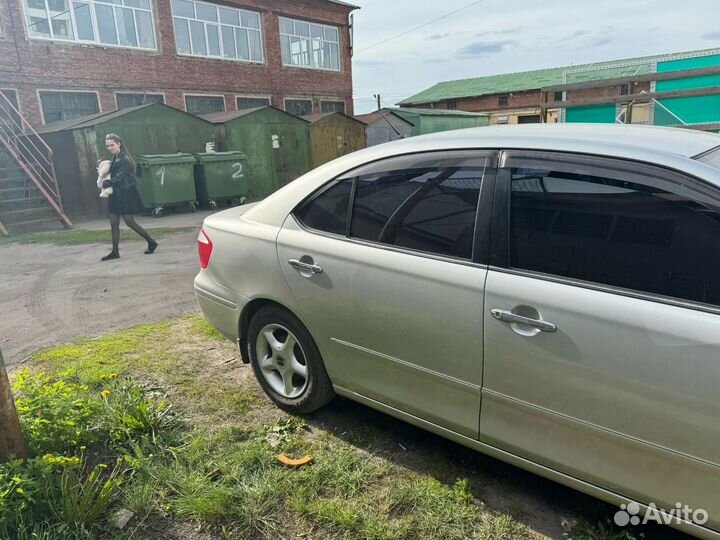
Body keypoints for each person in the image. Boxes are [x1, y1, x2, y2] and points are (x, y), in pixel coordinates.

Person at [101, 133, 158, 261]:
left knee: (130, 222)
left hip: (125, 194)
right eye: (108, 146)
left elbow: (119, 178)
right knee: (113, 223)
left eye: (112, 145)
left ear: (119, 144)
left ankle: (151, 242)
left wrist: (106, 183)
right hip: (116, 194)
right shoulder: (115, 158)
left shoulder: (124, 159)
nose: (110, 147)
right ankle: (115, 252)